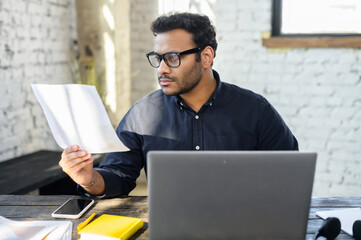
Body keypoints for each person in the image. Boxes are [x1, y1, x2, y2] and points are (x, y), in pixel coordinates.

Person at [59, 12, 298, 198]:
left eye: (172, 58)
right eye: (158, 58)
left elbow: (289, 173)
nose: (162, 68)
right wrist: (88, 178)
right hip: (169, 227)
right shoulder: (143, 113)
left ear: (206, 56)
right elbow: (118, 176)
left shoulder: (255, 110)